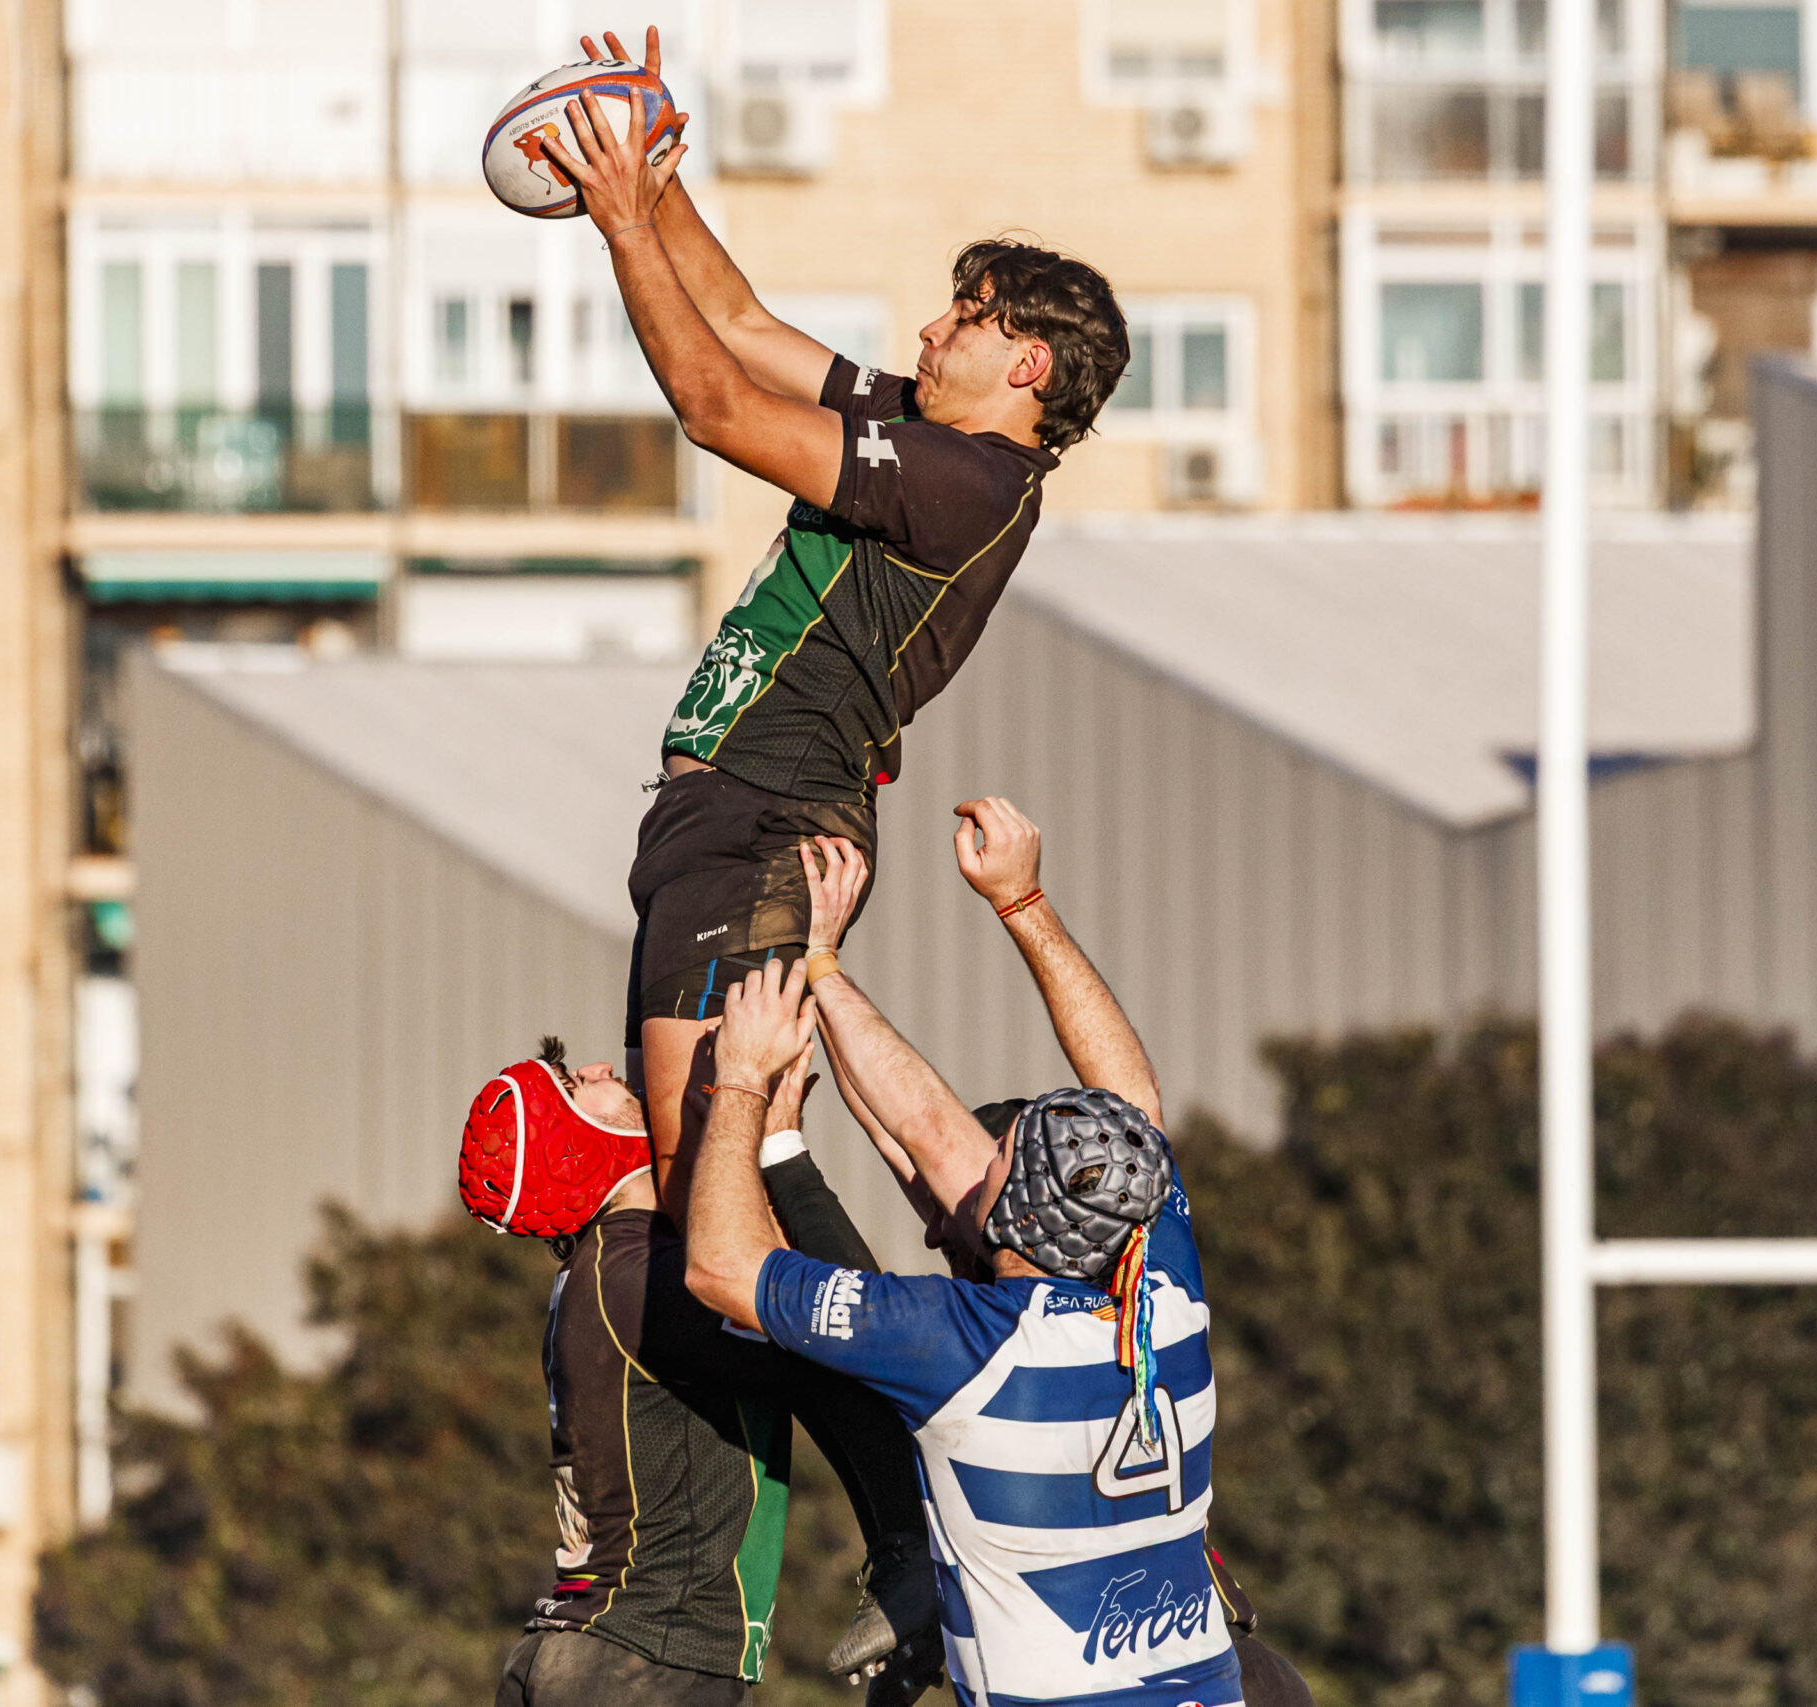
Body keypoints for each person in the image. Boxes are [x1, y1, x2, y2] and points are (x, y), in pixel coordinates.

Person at [537, 27, 1133, 1220]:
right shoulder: (932, 430)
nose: (930, 332)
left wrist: (622, 229)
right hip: (730, 815)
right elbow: (742, 327)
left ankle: (842, 1350)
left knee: (711, 1191)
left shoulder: (964, 480)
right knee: (702, 1178)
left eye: (963, 318)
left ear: (1026, 363)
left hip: (765, 820)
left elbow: (714, 407)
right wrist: (652, 176)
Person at [693, 799, 1318, 1706]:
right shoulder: (1164, 1295)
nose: (968, 1155)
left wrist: (744, 1080)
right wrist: (1014, 903)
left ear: (1010, 1217)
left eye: (994, 1158)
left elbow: (720, 1266)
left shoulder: (962, 1347)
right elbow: (1121, 1105)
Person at [459, 1039, 941, 1706]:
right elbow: (857, 1327)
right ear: (565, 1149)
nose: (600, 1067)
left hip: (594, 1653)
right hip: (640, 1665)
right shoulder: (644, 1277)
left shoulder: (609, 1268)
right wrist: (779, 1147)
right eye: (574, 1084)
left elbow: (825, 1373)